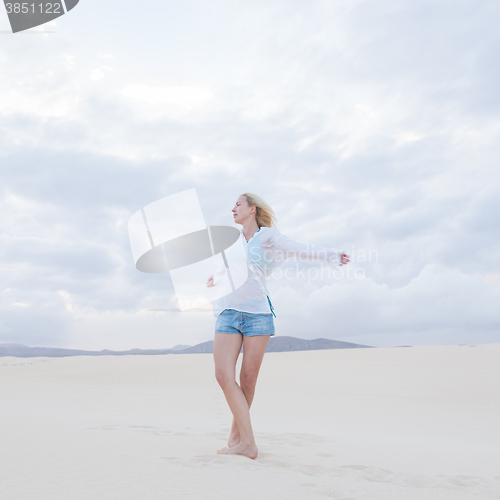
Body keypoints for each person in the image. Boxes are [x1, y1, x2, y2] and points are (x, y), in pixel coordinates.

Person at [206, 193, 349, 459]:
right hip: (228, 313)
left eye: (238, 204)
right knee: (223, 375)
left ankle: (239, 440)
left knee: (248, 380)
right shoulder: (233, 240)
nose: (232, 208)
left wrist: (330, 255)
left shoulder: (268, 236)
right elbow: (226, 267)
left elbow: (297, 248)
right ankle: (246, 442)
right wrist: (215, 277)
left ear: (252, 209)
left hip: (258, 315)